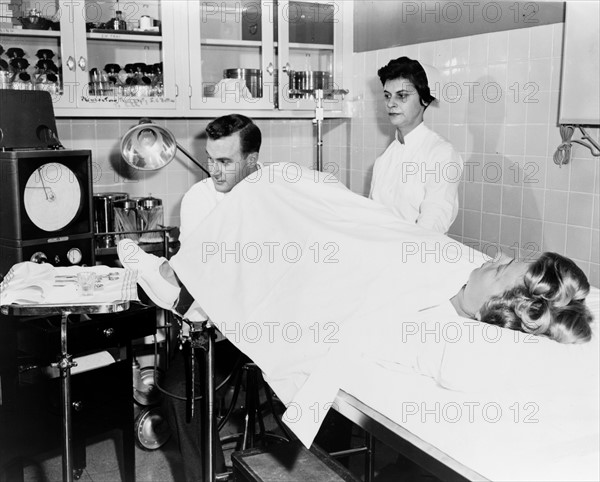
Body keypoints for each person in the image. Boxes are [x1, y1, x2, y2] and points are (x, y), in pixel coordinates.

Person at [119, 113, 262, 482]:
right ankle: (209, 475)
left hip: (268, 326)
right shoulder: (199, 197)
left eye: (225, 161)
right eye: (210, 158)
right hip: (217, 327)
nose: (213, 170)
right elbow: (195, 267)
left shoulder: (272, 196)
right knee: (180, 394)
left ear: (252, 160)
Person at [369, 56, 463, 234]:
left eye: (402, 96)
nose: (390, 103)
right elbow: (373, 217)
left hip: (416, 255)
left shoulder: (442, 154)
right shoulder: (383, 160)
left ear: (425, 100)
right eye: (387, 96)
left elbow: (433, 223)